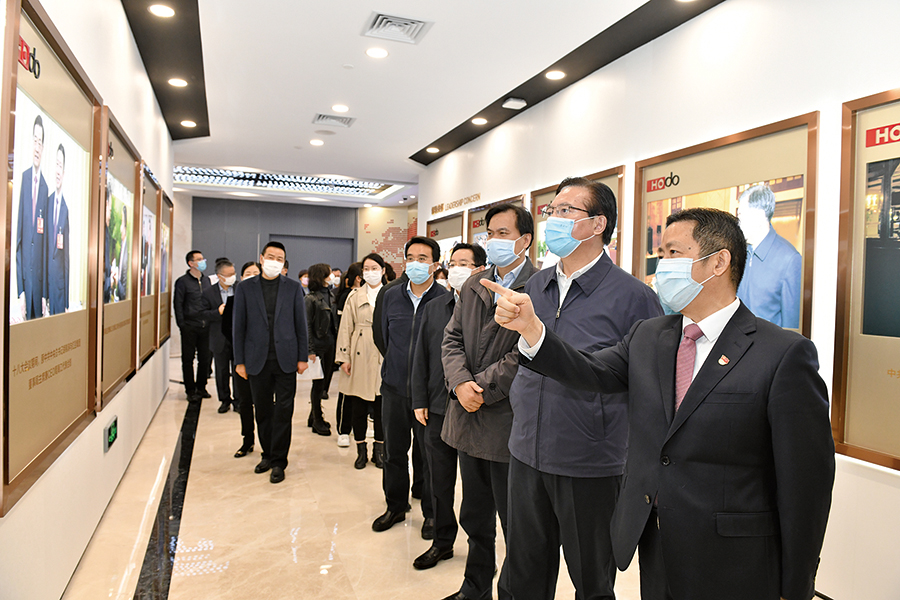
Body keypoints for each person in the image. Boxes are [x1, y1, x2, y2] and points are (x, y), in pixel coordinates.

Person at [486, 207, 835, 600]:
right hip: (657, 545)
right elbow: (590, 371)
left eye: (674, 253)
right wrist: (533, 331)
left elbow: (806, 484)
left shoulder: (782, 353)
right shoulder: (650, 337)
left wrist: (797, 583)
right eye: (661, 253)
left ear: (719, 262)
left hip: (736, 558)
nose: (662, 265)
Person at [505, 178, 663, 600]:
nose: (552, 219)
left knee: (592, 582)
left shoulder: (634, 297)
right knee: (522, 576)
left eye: (565, 211)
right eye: (551, 211)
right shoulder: (535, 286)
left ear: (598, 224)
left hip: (590, 463)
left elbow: (646, 386)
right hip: (525, 452)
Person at [440, 203, 538, 600]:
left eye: (503, 233)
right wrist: (460, 383)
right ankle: (475, 585)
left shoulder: (539, 287)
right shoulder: (474, 284)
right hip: (468, 418)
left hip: (509, 424)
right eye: (490, 233)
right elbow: (451, 339)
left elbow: (526, 353)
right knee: (474, 515)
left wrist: (479, 388)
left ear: (524, 240)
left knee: (516, 522)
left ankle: (511, 592)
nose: (493, 240)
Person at [411, 243, 486, 571]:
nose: (456, 269)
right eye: (453, 263)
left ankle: (481, 553)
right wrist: (419, 400)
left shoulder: (490, 306)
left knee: (476, 490)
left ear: (480, 269)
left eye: (464, 264)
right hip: (437, 409)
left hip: (474, 410)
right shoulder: (434, 306)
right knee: (438, 480)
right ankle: (442, 541)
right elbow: (420, 356)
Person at [372, 236, 447, 537]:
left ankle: (431, 514)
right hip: (393, 387)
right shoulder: (391, 295)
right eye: (411, 257)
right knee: (393, 452)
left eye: (423, 258)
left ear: (435, 264)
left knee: (429, 457)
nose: (416, 263)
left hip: (428, 394)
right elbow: (382, 337)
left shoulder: (444, 300)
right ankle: (395, 506)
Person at [233, 242, 309, 484]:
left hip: (286, 359)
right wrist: (240, 361)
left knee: (284, 412)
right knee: (263, 410)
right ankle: (266, 454)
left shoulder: (293, 288)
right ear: (261, 258)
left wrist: (302, 357)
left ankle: (279, 461)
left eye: (280, 258)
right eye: (271, 257)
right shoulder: (245, 288)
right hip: (257, 359)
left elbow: (301, 324)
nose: (275, 261)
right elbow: (238, 327)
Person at [336, 254, 386, 468]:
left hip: (384, 354)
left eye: (374, 268)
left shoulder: (390, 293)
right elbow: (345, 327)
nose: (370, 272)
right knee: (358, 405)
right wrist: (343, 357)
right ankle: (361, 450)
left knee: (382, 406)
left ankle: (379, 450)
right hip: (359, 353)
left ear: (383, 270)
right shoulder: (354, 296)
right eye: (366, 268)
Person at [736, 184, 802, 328]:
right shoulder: (738, 252)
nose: (737, 222)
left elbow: (791, 326)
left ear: (759, 216)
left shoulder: (789, 259)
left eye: (740, 214)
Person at [222, 261, 260, 458]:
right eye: (248, 273)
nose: (252, 276)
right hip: (242, 359)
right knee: (245, 402)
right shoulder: (233, 300)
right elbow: (227, 329)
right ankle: (247, 440)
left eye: (256, 273)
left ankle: (267, 441)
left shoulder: (268, 301)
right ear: (242, 278)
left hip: (263, 359)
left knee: (263, 402)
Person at [16, 114, 50, 321]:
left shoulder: (45, 188)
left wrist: (45, 294)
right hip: (25, 287)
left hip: (39, 290)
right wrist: (20, 290)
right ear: (31, 143)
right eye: (35, 141)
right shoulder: (24, 178)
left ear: (43, 148)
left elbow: (45, 248)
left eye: (40, 142)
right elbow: (19, 240)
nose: (37, 147)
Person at [174, 250, 213, 401]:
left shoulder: (207, 280)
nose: (203, 262)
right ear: (191, 263)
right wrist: (182, 324)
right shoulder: (182, 282)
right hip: (189, 326)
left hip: (205, 325)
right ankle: (190, 389)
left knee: (205, 359)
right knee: (188, 359)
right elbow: (178, 304)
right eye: (199, 259)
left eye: (203, 258)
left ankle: (201, 387)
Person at [201, 260, 237, 413]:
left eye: (233, 274)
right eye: (228, 275)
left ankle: (238, 401)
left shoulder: (240, 289)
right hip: (219, 337)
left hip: (237, 337)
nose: (232, 277)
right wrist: (218, 312)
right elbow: (203, 314)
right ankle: (224, 400)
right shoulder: (209, 293)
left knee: (238, 370)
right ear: (219, 276)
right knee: (221, 371)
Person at [305, 263, 337, 436]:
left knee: (325, 383)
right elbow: (307, 327)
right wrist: (310, 350)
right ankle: (317, 419)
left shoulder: (331, 295)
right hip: (318, 346)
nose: (332, 276)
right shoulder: (310, 299)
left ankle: (313, 416)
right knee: (318, 384)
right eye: (329, 273)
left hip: (330, 344)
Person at [334, 262, 362, 447]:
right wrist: (344, 354)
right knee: (347, 393)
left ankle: (358, 427)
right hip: (350, 348)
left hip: (367, 352)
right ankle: (343, 430)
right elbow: (343, 328)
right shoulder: (348, 296)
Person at [46, 144, 69, 315]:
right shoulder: (47, 203)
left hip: (60, 292)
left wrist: (66, 300)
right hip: (47, 289)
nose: (58, 171)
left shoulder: (65, 210)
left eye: (60, 166)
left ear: (64, 172)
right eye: (56, 165)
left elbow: (66, 257)